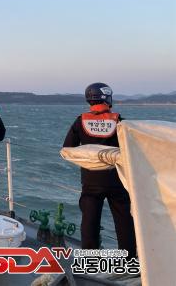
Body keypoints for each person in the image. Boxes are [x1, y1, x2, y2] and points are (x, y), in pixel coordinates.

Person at [63, 82, 136, 258]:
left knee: (90, 221)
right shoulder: (119, 121)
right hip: (116, 180)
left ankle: (91, 259)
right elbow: (130, 149)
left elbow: (68, 147)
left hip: (91, 181)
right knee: (124, 221)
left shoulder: (80, 121)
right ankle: (128, 260)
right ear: (107, 98)